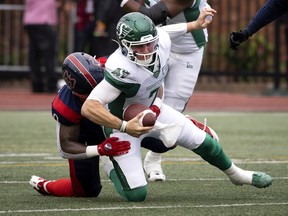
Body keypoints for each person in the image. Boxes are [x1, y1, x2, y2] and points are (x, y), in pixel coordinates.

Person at [81, 12, 272, 202]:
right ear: (125, 46)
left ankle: (236, 174)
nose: (148, 50)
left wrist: (195, 25)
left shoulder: (161, 41)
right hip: (122, 126)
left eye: (150, 43)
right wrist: (124, 126)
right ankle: (110, 163)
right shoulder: (121, 68)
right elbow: (89, 107)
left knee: (205, 141)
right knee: (137, 195)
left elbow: (166, 31)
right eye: (140, 46)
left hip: (153, 111)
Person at [116, 0, 215, 181]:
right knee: (136, 99)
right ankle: (126, 148)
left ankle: (154, 157)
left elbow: (151, 15)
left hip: (187, 51)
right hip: (152, 45)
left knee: (170, 117)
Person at [29, 52, 131, 197]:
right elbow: (65, 147)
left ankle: (152, 159)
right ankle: (46, 186)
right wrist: (100, 149)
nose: (98, 96)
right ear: (76, 92)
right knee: (86, 191)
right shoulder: (67, 104)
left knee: (161, 143)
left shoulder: (114, 65)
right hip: (87, 135)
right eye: (91, 93)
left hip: (120, 123)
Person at [23, 0, 61, 93]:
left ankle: (36, 84)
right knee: (49, 55)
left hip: (30, 21)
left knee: (34, 54)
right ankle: (51, 84)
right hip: (43, 21)